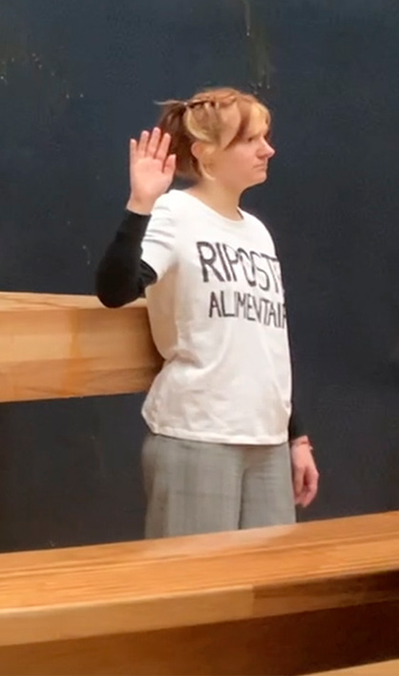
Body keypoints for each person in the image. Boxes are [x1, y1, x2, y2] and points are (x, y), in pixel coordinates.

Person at [94, 87, 318, 538]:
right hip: (198, 435)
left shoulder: (258, 233)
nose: (268, 150)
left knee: (272, 579)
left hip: (268, 441)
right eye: (251, 140)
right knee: (194, 578)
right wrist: (141, 204)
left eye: (266, 137)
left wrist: (296, 436)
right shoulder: (175, 213)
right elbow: (115, 290)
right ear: (206, 152)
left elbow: (262, 344)